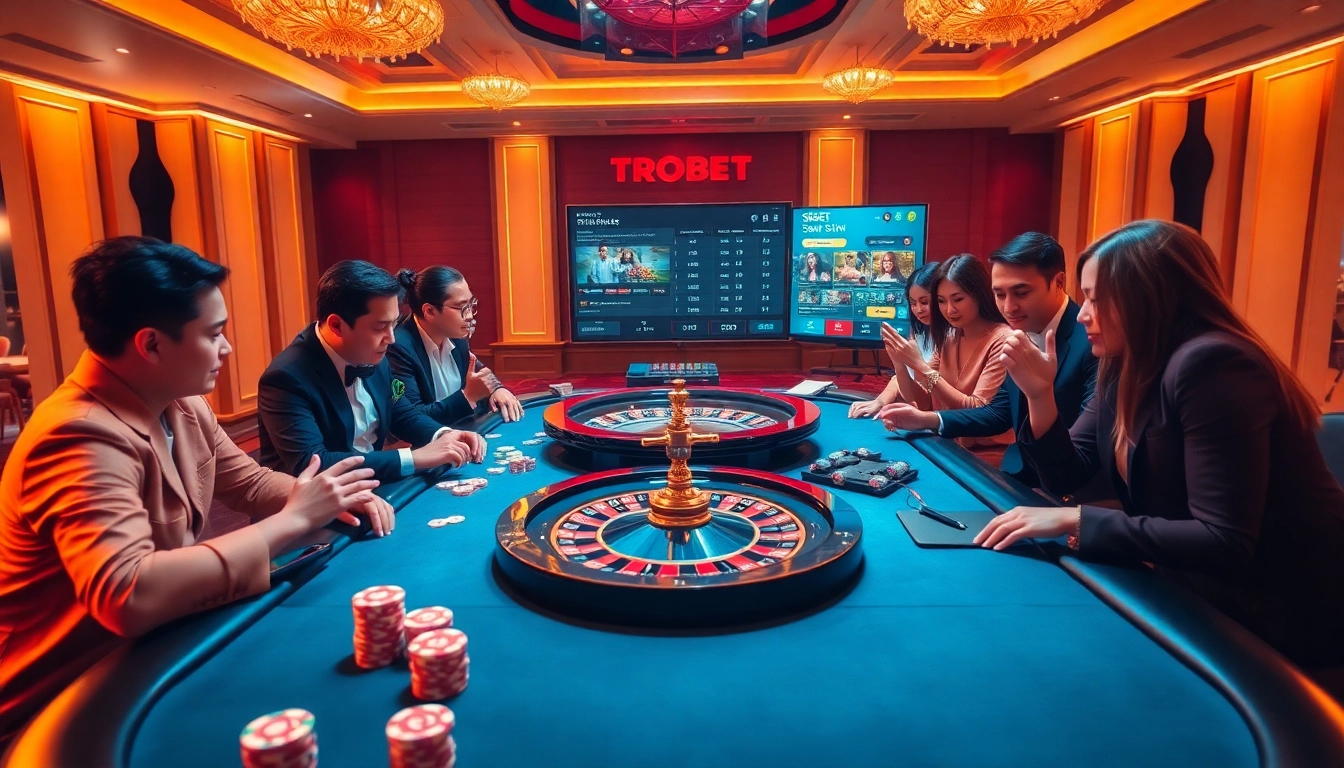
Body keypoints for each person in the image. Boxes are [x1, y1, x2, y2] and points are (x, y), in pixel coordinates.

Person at [0, 237, 392, 742]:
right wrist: (294, 519)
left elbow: (249, 483)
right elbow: (128, 592)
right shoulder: (77, 433)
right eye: (214, 334)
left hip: (158, 653)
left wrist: (328, 496)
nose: (227, 348)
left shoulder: (182, 402)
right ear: (152, 344)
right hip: (67, 707)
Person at [977, 220, 1344, 667]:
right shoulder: (1123, 360)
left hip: (1282, 612)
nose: (1082, 314)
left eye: (1096, 298)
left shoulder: (1213, 362)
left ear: (1149, 296)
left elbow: (1223, 539)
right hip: (1200, 590)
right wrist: (1040, 397)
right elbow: (1067, 474)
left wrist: (1074, 519)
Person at [877, 234, 1098, 486]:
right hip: (1020, 470)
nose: (1009, 307)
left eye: (1021, 292)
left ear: (1059, 282)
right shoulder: (1020, 330)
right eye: (1000, 294)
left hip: (1066, 489)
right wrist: (928, 419)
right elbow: (998, 413)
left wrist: (1040, 396)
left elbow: (1075, 468)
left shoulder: (1093, 341)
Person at [257, 260, 485, 483]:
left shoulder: (376, 353)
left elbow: (402, 413)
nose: (391, 338)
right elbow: (314, 463)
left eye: (393, 324)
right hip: (309, 512)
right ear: (336, 325)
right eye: (379, 327)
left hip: (372, 489)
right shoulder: (286, 378)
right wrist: (413, 458)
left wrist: (444, 435)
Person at [881, 255, 1014, 451]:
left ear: (979, 294)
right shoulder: (949, 334)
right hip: (951, 446)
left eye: (958, 299)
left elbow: (978, 411)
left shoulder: (1003, 339)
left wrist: (920, 366)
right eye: (941, 301)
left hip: (989, 454)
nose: (949, 310)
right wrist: (901, 364)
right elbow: (922, 402)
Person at [389, 266, 523, 424]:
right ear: (430, 311)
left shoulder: (456, 336)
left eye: (471, 305)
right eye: (461, 307)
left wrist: (497, 388)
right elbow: (411, 418)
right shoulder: (398, 347)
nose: (469, 315)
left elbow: (478, 371)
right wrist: (468, 396)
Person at [848, 261, 940, 418]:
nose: (918, 309)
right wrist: (880, 401)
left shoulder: (953, 338)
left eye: (924, 302)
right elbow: (904, 380)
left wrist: (908, 363)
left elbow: (924, 401)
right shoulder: (918, 331)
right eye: (913, 303)